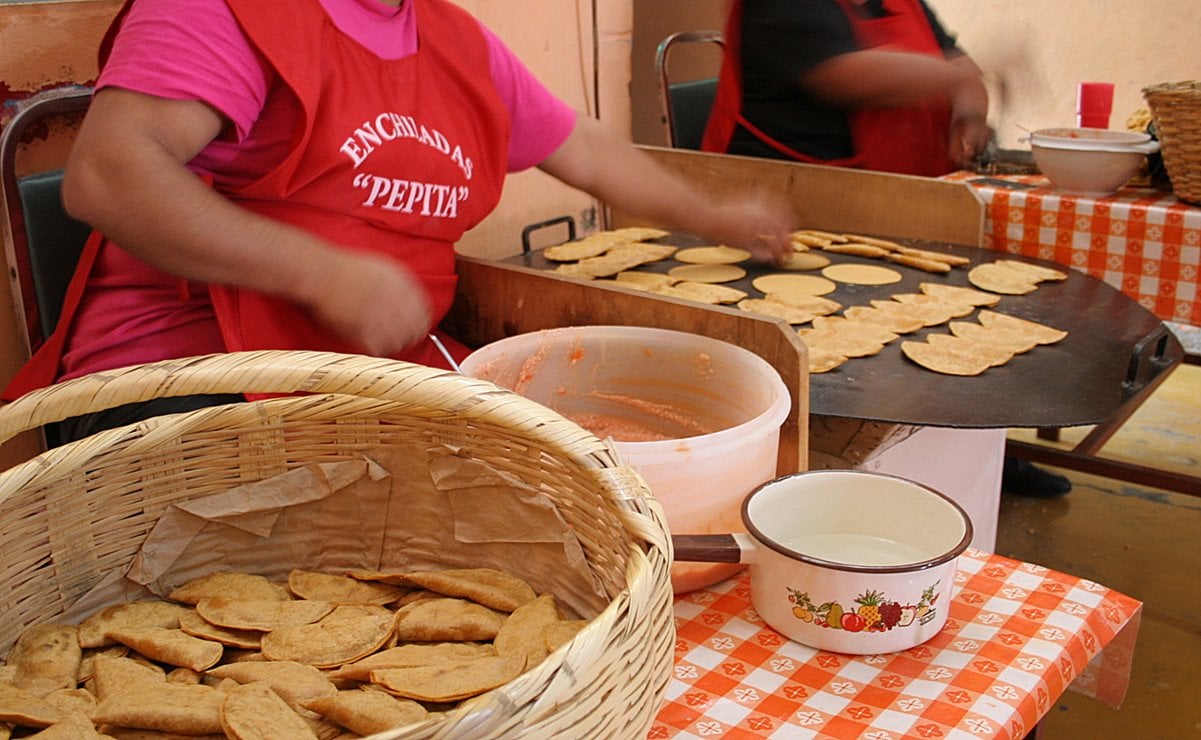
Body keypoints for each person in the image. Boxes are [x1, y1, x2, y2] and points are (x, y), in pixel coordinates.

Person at [0, 0, 796, 442]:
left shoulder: (452, 40)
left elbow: (583, 147)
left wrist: (713, 217)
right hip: (185, 389)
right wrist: (318, 270)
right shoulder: (224, 9)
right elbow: (109, 175)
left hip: (370, 375)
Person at [703, 0, 1070, 498]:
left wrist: (968, 112)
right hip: (790, 213)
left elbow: (959, 64)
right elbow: (844, 75)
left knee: (945, 339)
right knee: (832, 370)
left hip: (892, 203)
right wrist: (961, 73)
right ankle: (816, 487)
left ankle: (972, 460)